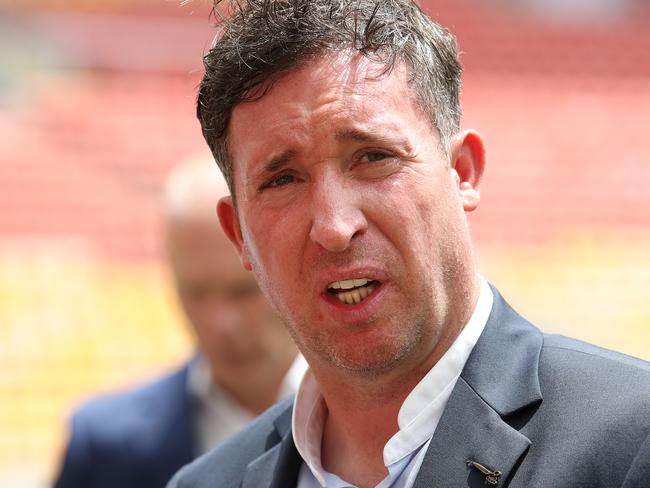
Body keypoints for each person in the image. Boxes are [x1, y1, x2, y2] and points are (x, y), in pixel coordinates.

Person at [168, 1, 650, 487]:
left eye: (373, 157)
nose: (334, 227)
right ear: (239, 235)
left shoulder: (631, 440)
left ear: (462, 172)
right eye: (283, 179)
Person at [53, 154, 305, 488]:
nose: (221, 323)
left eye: (243, 292)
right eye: (195, 293)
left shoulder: (372, 420)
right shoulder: (103, 443)